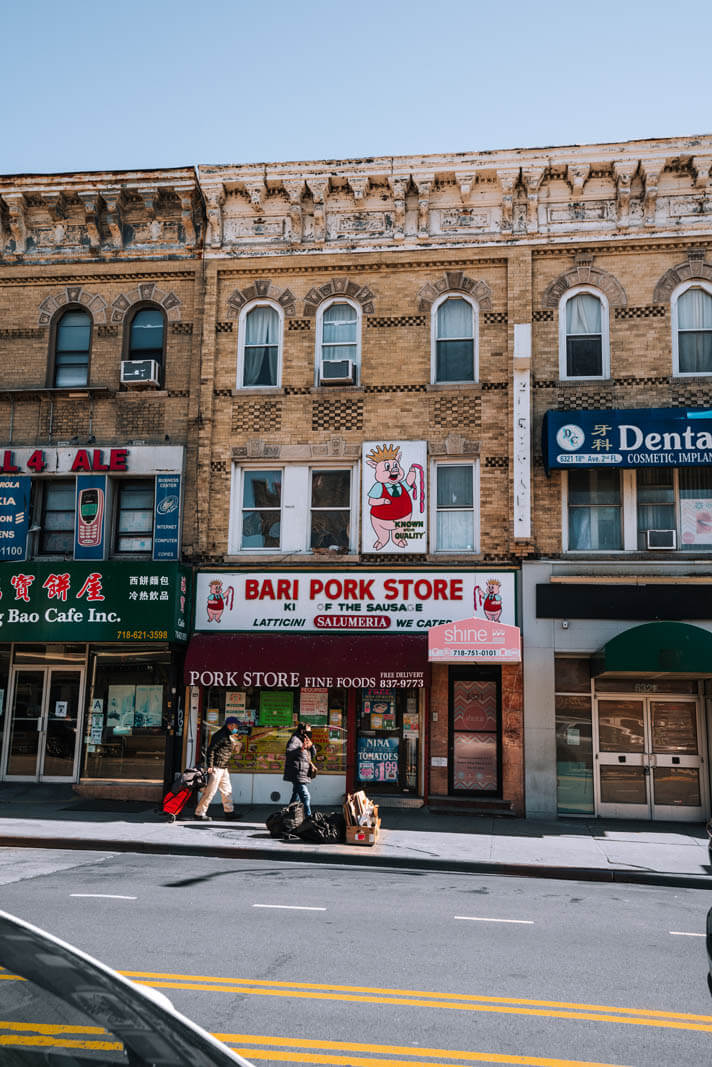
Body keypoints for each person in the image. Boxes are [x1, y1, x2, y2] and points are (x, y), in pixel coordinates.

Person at [194, 716, 243, 821]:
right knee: (210, 791)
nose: (237, 727)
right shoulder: (220, 735)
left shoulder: (229, 735)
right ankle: (199, 813)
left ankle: (229, 812)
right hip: (216, 767)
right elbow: (211, 750)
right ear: (230, 725)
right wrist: (210, 766)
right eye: (236, 725)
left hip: (223, 767)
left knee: (227, 790)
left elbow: (226, 749)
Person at [283, 721, 316, 817]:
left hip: (303, 773)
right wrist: (301, 748)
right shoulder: (295, 739)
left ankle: (288, 815)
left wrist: (311, 746)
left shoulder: (305, 739)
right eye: (308, 731)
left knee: (296, 796)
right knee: (306, 796)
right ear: (302, 731)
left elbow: (313, 755)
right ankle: (308, 817)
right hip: (297, 773)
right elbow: (289, 752)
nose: (310, 733)